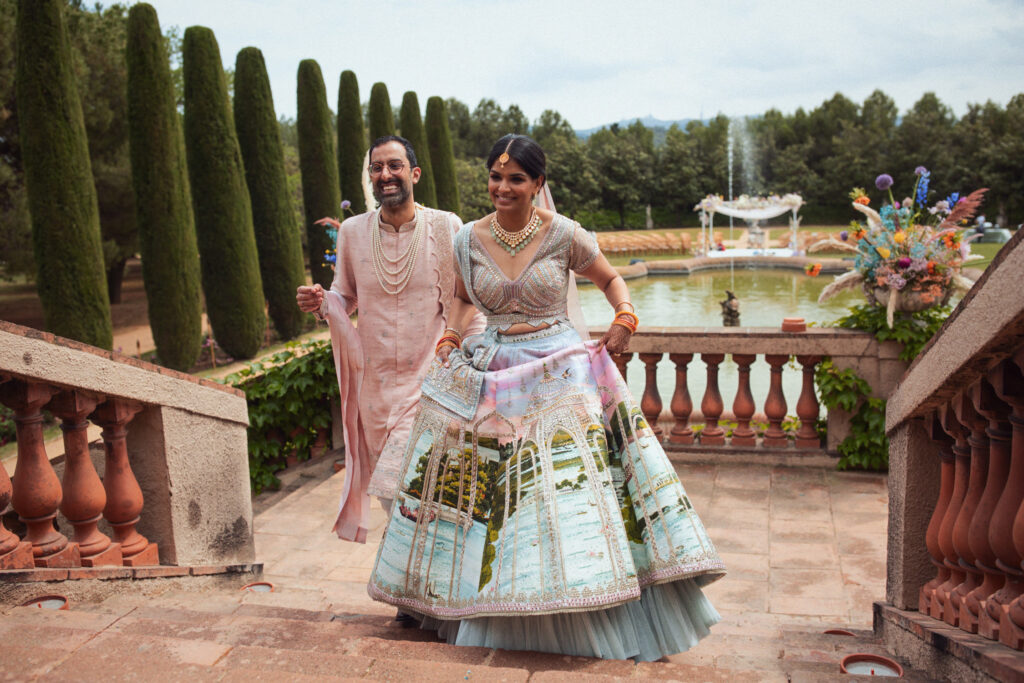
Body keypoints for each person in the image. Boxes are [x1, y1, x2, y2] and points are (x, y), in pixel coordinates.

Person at [367, 134, 724, 661]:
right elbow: (464, 303)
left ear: (538, 184)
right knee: (489, 495)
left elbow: (612, 279)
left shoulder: (564, 234)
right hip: (493, 372)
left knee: (559, 498)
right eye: (495, 176)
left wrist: (626, 317)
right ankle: (480, 600)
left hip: (557, 373)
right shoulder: (466, 238)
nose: (502, 187)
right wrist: (450, 336)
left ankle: (579, 611)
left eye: (515, 179)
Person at [296, 135, 483, 543]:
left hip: (430, 379)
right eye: (377, 168)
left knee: (419, 489)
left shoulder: (445, 225)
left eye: (394, 166)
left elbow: (465, 300)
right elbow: (344, 297)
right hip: (375, 386)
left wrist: (477, 360)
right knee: (392, 493)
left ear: (413, 173)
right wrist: (320, 301)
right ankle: (413, 589)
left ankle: (418, 595)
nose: (386, 175)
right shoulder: (352, 232)